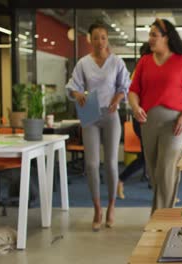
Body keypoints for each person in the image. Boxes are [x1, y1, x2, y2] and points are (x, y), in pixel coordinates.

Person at [128, 18, 182, 213]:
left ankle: (159, 218)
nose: (150, 38)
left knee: (167, 170)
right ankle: (162, 214)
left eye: (154, 34)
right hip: (148, 123)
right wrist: (135, 107)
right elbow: (133, 90)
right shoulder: (144, 61)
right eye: (150, 34)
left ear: (166, 37)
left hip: (174, 124)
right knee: (154, 173)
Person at [66, 23, 130, 231]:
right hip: (90, 112)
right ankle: (97, 209)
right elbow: (72, 86)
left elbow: (124, 86)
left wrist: (117, 98)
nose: (100, 41)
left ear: (107, 38)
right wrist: (77, 94)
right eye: (96, 37)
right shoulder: (83, 63)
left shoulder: (117, 62)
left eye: (103, 37)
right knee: (92, 164)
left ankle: (111, 206)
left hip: (111, 114)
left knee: (111, 163)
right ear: (89, 39)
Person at [117, 42, 152, 200]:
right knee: (146, 158)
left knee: (153, 157)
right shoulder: (140, 70)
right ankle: (121, 180)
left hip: (151, 119)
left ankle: (162, 191)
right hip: (142, 119)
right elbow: (133, 94)